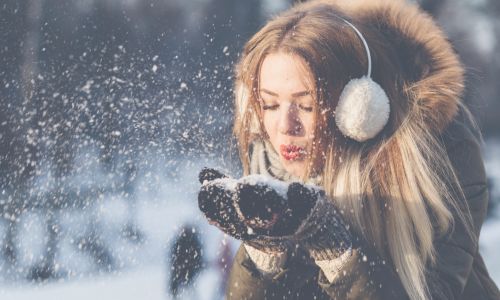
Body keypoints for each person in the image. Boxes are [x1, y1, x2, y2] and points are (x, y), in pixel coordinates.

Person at [197, 0, 500, 299]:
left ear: (358, 108)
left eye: (306, 105)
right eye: (270, 104)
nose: (284, 126)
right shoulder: (270, 164)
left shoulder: (439, 158)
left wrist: (335, 250)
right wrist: (264, 253)